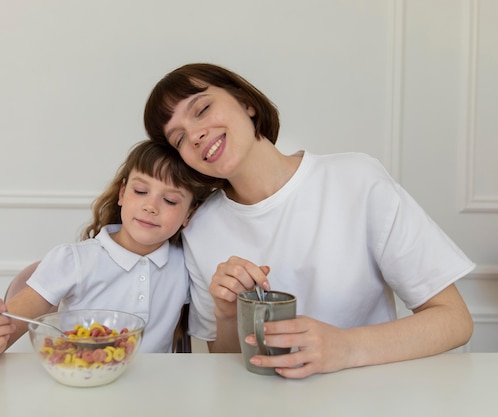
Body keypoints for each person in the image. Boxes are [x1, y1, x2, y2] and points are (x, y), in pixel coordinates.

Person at [143, 63, 475, 378]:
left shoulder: (356, 179)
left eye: (201, 109)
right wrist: (227, 315)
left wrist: (345, 348)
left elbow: (454, 320)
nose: (196, 135)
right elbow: (228, 361)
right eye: (179, 138)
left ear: (246, 103)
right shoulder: (200, 228)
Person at [0, 140, 222, 358]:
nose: (150, 206)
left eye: (169, 200)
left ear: (189, 213)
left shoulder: (187, 265)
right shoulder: (73, 259)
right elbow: (7, 329)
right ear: (123, 193)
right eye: (141, 191)